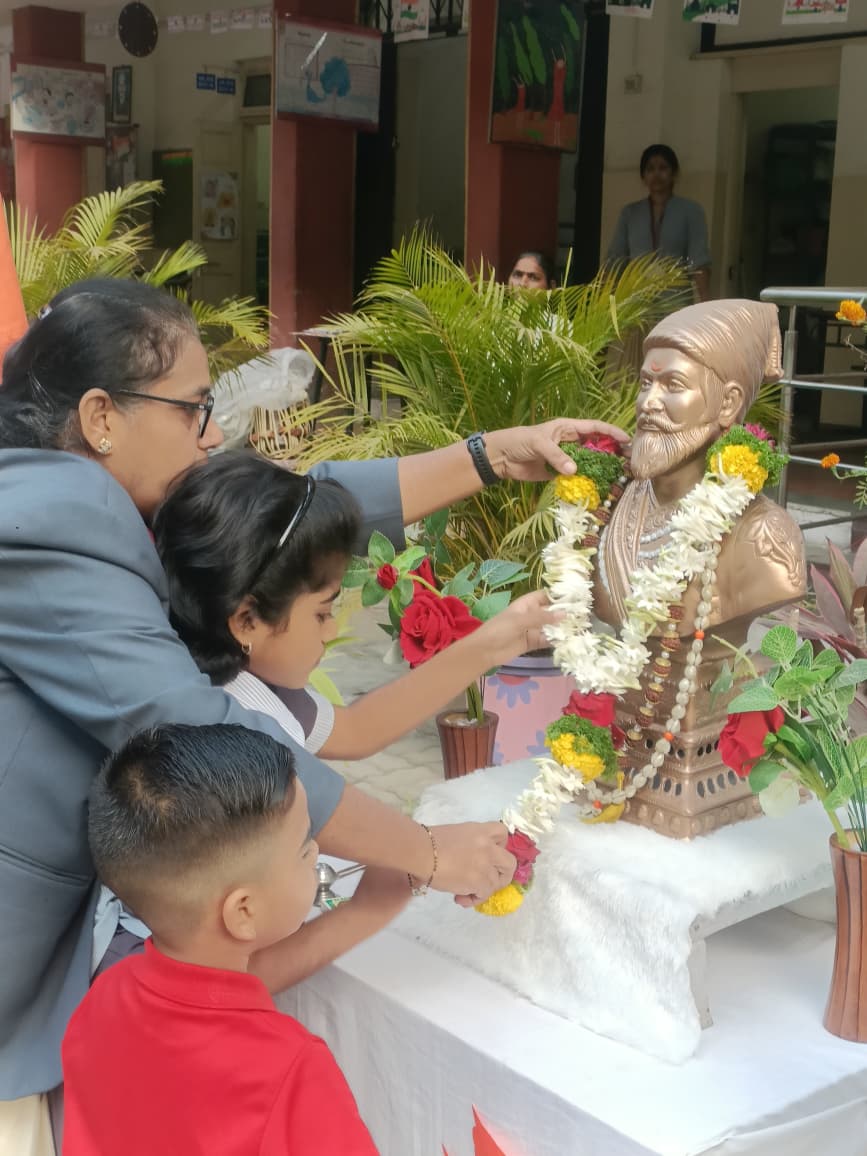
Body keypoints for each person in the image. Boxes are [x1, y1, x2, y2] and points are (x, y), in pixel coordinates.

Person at [0, 276, 628, 1115]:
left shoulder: (89, 487)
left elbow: (280, 510)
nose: (212, 433)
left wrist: (483, 459)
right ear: (101, 416)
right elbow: (201, 730)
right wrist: (424, 853)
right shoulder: (52, 515)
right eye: (193, 409)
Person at [62, 724, 381, 1155]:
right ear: (243, 911)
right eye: (305, 847)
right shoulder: (289, 1069)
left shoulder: (101, 999)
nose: (317, 853)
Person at [152, 451, 555, 761]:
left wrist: (496, 642)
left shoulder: (249, 682)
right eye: (322, 613)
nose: (331, 631)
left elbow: (355, 730)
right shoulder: (235, 739)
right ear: (246, 620)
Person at [607, 144, 711, 303]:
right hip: (636, 305)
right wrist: (607, 304)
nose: (656, 174)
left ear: (674, 173)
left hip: (675, 302)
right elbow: (614, 261)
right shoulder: (630, 213)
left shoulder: (691, 211)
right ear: (643, 176)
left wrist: (706, 303)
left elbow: (699, 262)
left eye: (663, 168)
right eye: (650, 169)